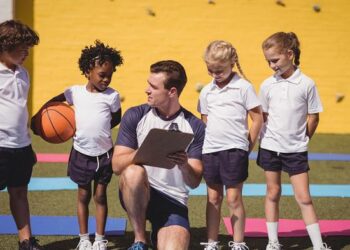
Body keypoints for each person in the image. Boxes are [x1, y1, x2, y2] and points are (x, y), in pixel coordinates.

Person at [31, 40, 123, 250]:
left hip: (105, 154)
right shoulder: (74, 92)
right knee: (83, 195)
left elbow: (116, 118)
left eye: (110, 75)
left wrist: (99, 129)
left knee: (100, 196)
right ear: (87, 70)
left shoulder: (112, 96)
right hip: (81, 153)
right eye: (102, 74)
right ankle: (84, 238)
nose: (106, 79)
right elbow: (51, 104)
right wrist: (37, 120)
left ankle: (99, 239)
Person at [112, 60, 205, 250]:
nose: (147, 90)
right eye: (148, 84)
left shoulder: (195, 126)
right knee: (133, 172)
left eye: (153, 87)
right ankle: (140, 240)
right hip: (138, 190)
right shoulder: (135, 115)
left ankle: (159, 231)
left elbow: (194, 182)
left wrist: (184, 164)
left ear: (172, 92)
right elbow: (116, 166)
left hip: (173, 200)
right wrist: (143, 151)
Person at [257, 32, 331, 250]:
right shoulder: (267, 85)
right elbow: (264, 117)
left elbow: (314, 117)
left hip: (296, 151)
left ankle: (319, 246)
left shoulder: (307, 83)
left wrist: (301, 138)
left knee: (304, 198)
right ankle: (273, 242)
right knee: (272, 193)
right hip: (269, 148)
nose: (271, 65)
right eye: (268, 61)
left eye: (275, 60)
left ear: (290, 54)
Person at [197, 40, 263, 250]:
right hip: (210, 151)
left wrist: (247, 148)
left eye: (219, 70)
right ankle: (212, 242)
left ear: (232, 63)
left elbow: (258, 119)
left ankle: (238, 242)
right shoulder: (207, 91)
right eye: (210, 70)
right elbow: (204, 121)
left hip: (235, 151)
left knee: (234, 198)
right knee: (213, 198)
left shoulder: (244, 87)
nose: (215, 74)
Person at [0, 20, 42, 250]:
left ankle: (26, 241)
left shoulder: (23, 74)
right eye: (22, 47)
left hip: (21, 146)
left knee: (19, 193)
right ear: (5, 45)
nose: (27, 52)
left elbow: (19, 109)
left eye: (28, 47)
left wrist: (28, 144)